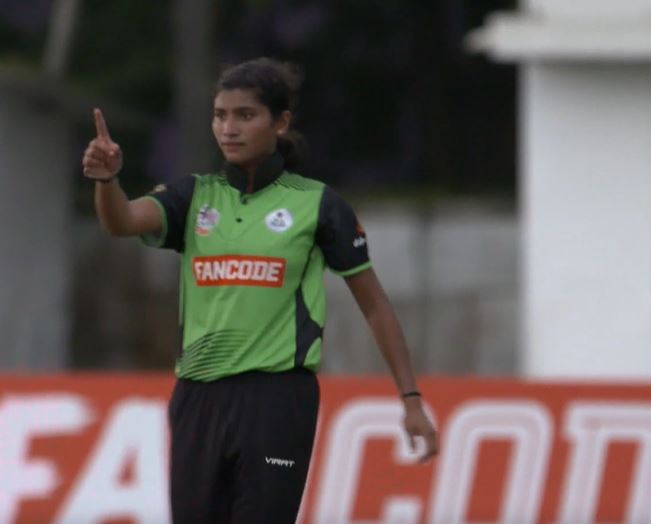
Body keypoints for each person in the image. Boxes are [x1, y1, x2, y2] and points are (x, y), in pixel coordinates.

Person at [82, 57, 438, 524]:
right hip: (199, 398)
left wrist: (410, 399)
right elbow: (122, 221)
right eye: (220, 115)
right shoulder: (193, 197)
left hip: (277, 401)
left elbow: (374, 306)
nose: (228, 128)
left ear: (280, 122)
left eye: (245, 115)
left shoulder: (317, 205)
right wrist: (107, 180)